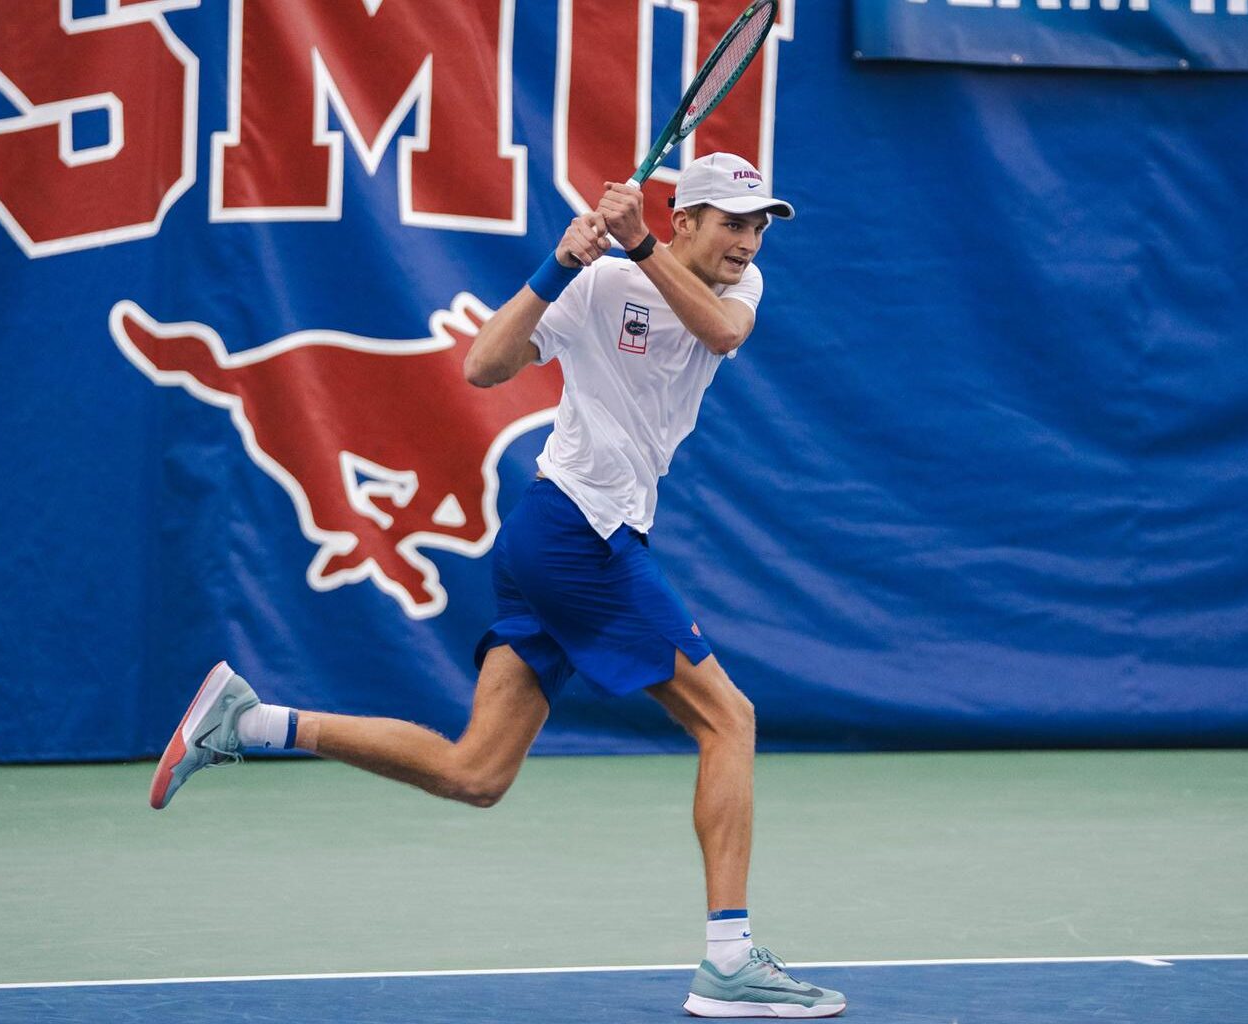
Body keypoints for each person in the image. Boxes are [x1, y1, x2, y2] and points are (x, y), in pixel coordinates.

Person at [148, 152, 846, 1019]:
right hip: (573, 533)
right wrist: (560, 265)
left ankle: (251, 721)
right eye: (731, 221)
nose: (748, 240)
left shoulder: (738, 292)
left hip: (567, 539)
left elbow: (721, 332)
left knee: (475, 773)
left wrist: (636, 247)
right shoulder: (598, 290)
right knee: (728, 718)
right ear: (685, 219)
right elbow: (483, 364)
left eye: (757, 224)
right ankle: (729, 961)